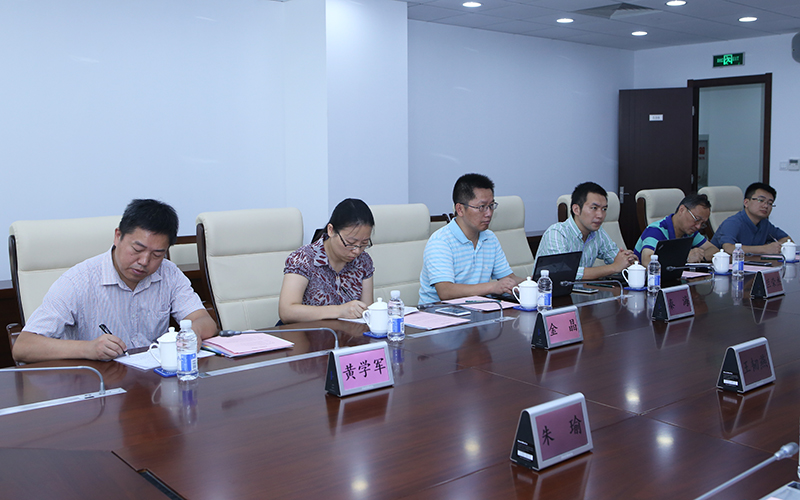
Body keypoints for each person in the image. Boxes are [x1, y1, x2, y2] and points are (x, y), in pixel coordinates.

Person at [13, 199, 218, 364]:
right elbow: (24, 346)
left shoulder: (169, 273)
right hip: (97, 386)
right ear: (117, 236)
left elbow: (205, 322)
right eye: (137, 249)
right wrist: (88, 349)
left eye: (157, 254)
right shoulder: (78, 281)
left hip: (152, 383)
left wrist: (192, 334)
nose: (144, 261)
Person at [419, 173, 523, 304]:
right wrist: (493, 287)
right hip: (438, 312)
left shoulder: (490, 238)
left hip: (479, 309)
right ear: (460, 209)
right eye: (482, 207)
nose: (489, 213)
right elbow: (445, 292)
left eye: (491, 206)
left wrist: (535, 282)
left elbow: (508, 278)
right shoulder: (441, 241)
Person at [279, 198, 374, 324]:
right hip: (307, 333)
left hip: (347, 333)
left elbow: (367, 312)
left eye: (364, 243)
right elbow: (287, 312)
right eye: (350, 243)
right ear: (331, 230)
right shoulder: (304, 258)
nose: (357, 251)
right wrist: (339, 311)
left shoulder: (363, 261)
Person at [536, 182, 635, 280]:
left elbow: (616, 258)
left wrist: (628, 261)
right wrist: (613, 267)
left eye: (604, 209)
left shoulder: (598, 232)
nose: (600, 215)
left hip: (585, 289)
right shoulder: (557, 233)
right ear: (576, 209)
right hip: (553, 290)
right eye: (594, 208)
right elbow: (565, 273)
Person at [634, 193, 719, 266]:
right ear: (682, 210)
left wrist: (699, 256)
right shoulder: (656, 230)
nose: (698, 227)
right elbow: (647, 261)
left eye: (702, 223)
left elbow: (714, 250)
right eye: (697, 219)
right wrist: (685, 257)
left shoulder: (690, 232)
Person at [710, 182, 791, 255]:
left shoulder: (764, 223)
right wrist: (764, 249)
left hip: (751, 264)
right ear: (746, 203)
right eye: (761, 200)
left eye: (770, 203)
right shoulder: (732, 223)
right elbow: (729, 248)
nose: (766, 206)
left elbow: (787, 240)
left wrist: (776, 247)